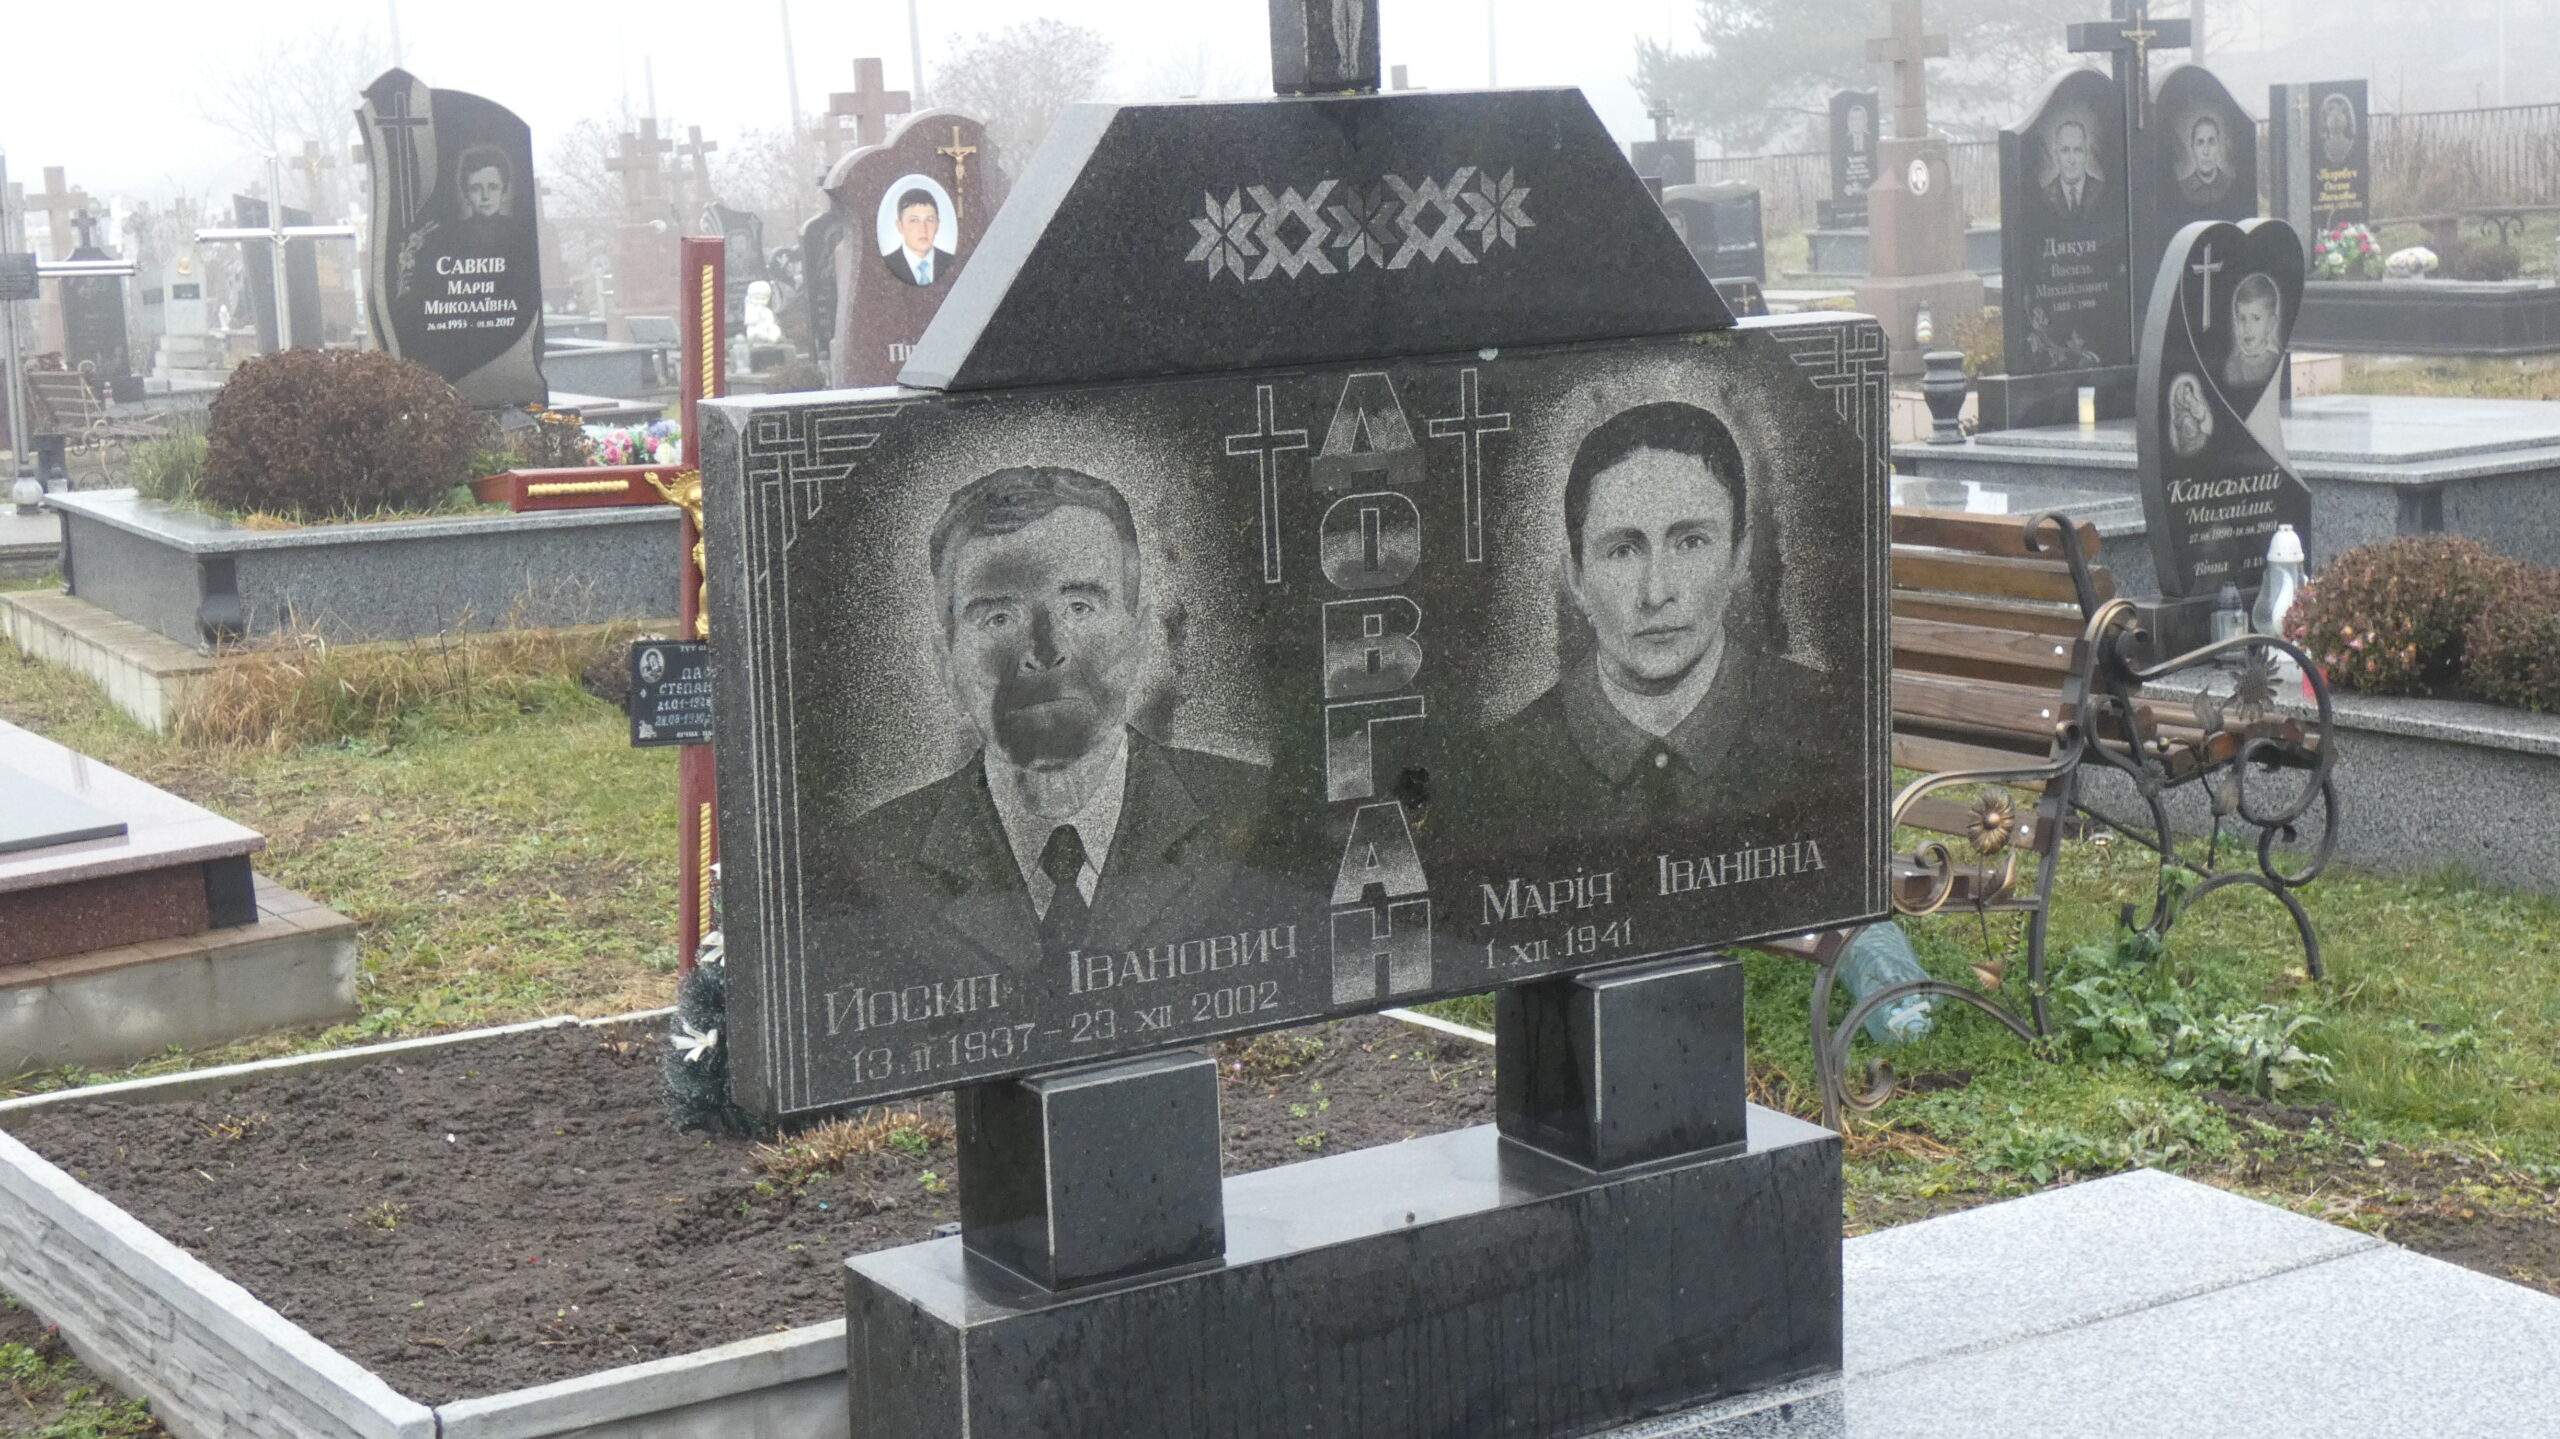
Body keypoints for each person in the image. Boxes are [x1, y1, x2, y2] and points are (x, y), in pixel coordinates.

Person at [840, 468, 1269, 982]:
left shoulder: (1256, 807)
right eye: (998, 618)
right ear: (946, 664)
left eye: (1079, 607)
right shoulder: (869, 858)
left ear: (1138, 639)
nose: (1044, 652)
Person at [1466, 401, 1836, 840]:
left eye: (1691, 542)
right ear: (1577, 579)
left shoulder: (1828, 718)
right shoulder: (1496, 768)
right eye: (1623, 550)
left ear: (1739, 557)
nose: (1656, 594)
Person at [2222, 274, 2285, 389]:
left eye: (2256, 318)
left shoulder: (2276, 363)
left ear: (2271, 324)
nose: (2247, 327)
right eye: (2242, 319)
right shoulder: (2231, 366)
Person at [883, 188, 954, 288]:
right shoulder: (887, 264)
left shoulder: (950, 261)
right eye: (914, 220)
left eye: (929, 220)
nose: (923, 229)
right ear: (900, 226)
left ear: (937, 225)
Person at [2042, 119, 2099, 220]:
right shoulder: (2043, 196)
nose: (2071, 160)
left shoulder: (2102, 191)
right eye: (2065, 150)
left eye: (2077, 150)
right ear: (2055, 155)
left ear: (2086, 154)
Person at [2179, 114, 2233, 205]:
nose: (2206, 151)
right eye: (2200, 143)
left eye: (2211, 142)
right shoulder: (2181, 188)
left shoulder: (2231, 185)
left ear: (2219, 146)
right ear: (2192, 148)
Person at [2168, 372, 2215, 458]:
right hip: (2191, 450)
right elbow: (2196, 437)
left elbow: (2200, 420)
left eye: (2190, 392)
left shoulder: (2188, 412)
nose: (2190, 395)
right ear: (2180, 398)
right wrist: (2208, 437)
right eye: (2187, 393)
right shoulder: (2186, 418)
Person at [2321, 93, 2358, 166]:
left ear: (2346, 121)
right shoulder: (2326, 145)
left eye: (2338, 117)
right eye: (2332, 117)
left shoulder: (2348, 143)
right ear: (2326, 121)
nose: (2336, 121)